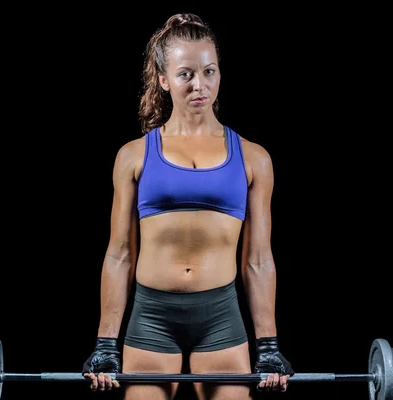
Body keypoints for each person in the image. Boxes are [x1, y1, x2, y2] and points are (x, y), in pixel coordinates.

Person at [82, 12, 294, 400]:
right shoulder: (133, 156)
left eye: (209, 71)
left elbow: (258, 260)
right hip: (151, 317)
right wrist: (105, 344)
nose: (201, 84)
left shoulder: (253, 158)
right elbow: (120, 255)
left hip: (220, 318)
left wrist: (268, 346)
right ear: (163, 80)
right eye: (186, 74)